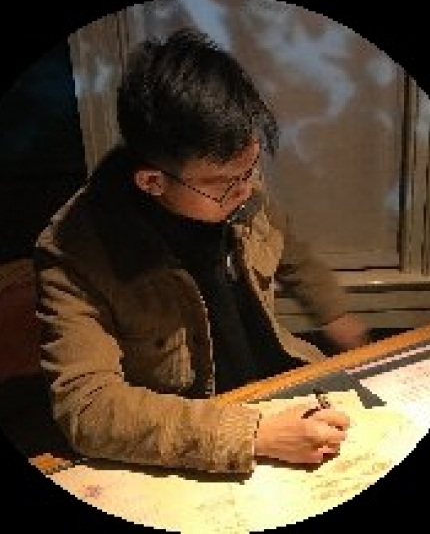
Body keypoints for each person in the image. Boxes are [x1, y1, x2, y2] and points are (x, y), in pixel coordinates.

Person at [34, 27, 367, 475]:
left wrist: (334, 314)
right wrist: (253, 435)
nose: (245, 189)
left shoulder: (233, 181)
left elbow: (288, 245)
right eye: (225, 182)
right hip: (193, 433)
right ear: (152, 182)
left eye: (251, 169)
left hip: (277, 384)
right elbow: (88, 408)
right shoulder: (74, 254)